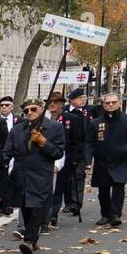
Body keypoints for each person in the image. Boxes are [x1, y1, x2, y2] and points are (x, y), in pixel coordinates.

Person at [3, 97, 64, 254]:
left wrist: (43, 141)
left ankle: (29, 241)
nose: (29, 113)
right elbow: (7, 152)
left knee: (37, 207)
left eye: (33, 109)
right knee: (26, 207)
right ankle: (33, 239)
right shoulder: (17, 129)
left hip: (41, 175)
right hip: (21, 175)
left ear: (41, 109)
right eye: (26, 110)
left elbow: (58, 152)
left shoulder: (54, 127)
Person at [88, 92, 127, 228]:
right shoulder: (95, 123)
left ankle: (115, 214)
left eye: (113, 102)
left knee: (118, 187)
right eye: (107, 102)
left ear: (119, 103)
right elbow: (89, 143)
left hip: (120, 160)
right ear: (103, 105)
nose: (110, 105)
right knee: (103, 189)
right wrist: (88, 160)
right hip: (102, 160)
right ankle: (105, 214)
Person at [50, 88, 89, 225]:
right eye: (50, 102)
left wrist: (76, 159)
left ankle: (52, 214)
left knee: (58, 188)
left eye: (55, 102)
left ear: (62, 104)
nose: (52, 105)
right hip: (46, 157)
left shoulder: (71, 119)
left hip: (64, 158)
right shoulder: (43, 118)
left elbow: (77, 141)